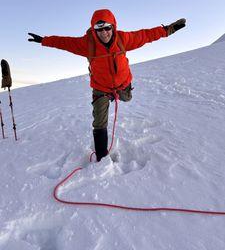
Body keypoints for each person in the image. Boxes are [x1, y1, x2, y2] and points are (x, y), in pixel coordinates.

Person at [28, 9, 186, 161]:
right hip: (101, 88)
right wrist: (44, 40)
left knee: (127, 98)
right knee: (99, 122)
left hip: (123, 83)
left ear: (113, 27)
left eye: (107, 28)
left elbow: (146, 35)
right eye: (99, 29)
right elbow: (64, 42)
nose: (104, 33)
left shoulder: (123, 39)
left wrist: (168, 30)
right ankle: (101, 157)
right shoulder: (87, 44)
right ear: (94, 30)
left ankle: (120, 93)